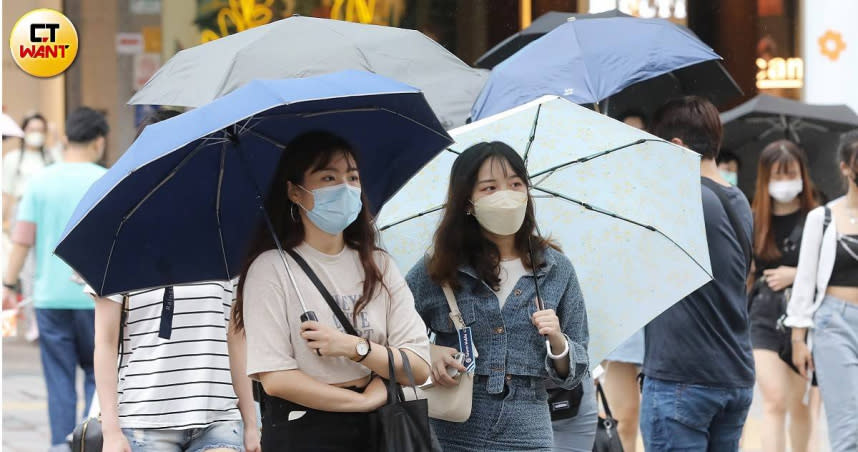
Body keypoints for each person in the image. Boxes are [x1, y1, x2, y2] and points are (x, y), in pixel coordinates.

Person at [234, 131, 431, 451]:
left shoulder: (379, 265)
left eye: (352, 177)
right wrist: (359, 403)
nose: (345, 187)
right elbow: (276, 378)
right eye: (328, 177)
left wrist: (355, 348)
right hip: (304, 430)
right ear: (295, 192)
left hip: (382, 428)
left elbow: (418, 366)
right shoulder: (270, 269)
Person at [91, 109, 260, 452]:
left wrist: (252, 422)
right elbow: (105, 344)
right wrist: (111, 430)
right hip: (143, 423)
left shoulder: (224, 240)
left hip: (219, 420)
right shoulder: (117, 241)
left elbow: (235, 337)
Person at [406, 141, 590, 451]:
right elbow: (392, 328)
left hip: (528, 424)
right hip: (453, 422)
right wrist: (429, 351)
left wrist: (557, 341)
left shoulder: (556, 268)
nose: (506, 196)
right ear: (467, 202)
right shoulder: (440, 266)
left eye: (515, 184)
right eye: (490, 188)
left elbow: (575, 371)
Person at [641, 96, 755, 451]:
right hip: (732, 375)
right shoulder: (737, 198)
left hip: (684, 379)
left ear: (676, 147)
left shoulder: (685, 201)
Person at [2, 107, 109, 450]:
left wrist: (7, 286)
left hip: (49, 299)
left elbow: (22, 240)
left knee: (58, 379)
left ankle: (60, 446)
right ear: (100, 141)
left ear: (65, 139)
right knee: (98, 375)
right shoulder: (107, 179)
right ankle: (91, 442)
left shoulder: (40, 182)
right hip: (97, 299)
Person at [788, 131, 858, 451]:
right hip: (835, 323)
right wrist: (798, 339)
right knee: (848, 425)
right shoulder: (823, 217)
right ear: (845, 167)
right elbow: (805, 280)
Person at [748, 140, 820, 452]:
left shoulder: (818, 218)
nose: (784, 183)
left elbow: (832, 270)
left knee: (798, 405)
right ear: (765, 178)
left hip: (803, 319)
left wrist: (797, 274)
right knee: (774, 401)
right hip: (762, 315)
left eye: (790, 174)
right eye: (777, 176)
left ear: (803, 176)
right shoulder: (753, 217)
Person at [602, 107, 648, 452]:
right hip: (620, 316)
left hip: (658, 310)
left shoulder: (656, 188)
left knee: (653, 416)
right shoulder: (599, 190)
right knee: (624, 417)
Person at [2, 113, 58, 341]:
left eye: (40, 129)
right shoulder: (13, 158)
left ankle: (41, 319)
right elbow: (6, 193)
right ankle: (33, 322)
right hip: (22, 213)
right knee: (24, 271)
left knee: (43, 267)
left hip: (47, 215)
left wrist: (55, 139)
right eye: (32, 128)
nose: (36, 133)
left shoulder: (51, 157)